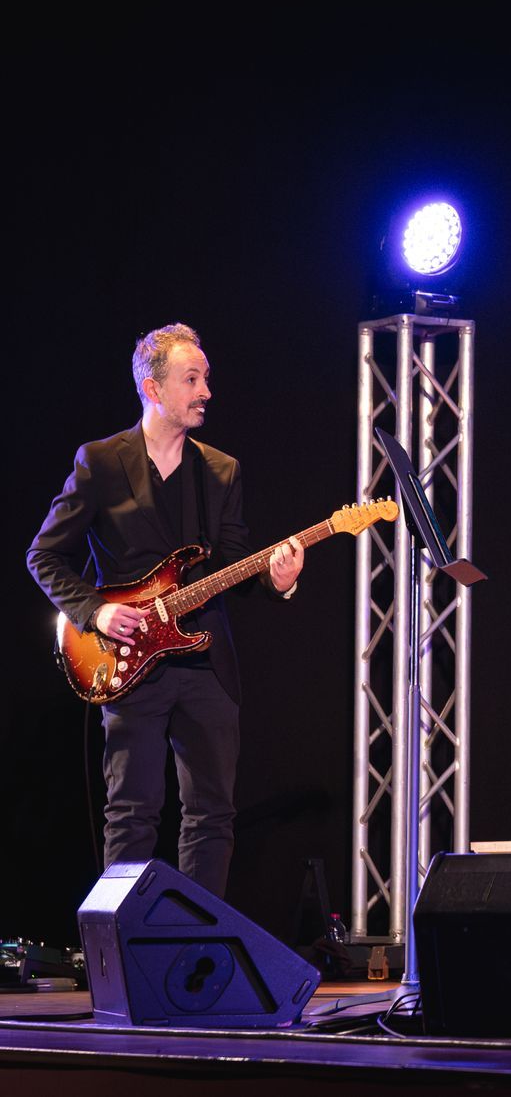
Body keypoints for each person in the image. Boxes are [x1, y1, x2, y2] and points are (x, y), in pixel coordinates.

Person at [27, 323, 305, 898]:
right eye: (192, 379)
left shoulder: (221, 470)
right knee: (132, 812)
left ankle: (194, 940)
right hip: (127, 660)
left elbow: (234, 563)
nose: (206, 391)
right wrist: (96, 612)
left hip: (206, 663)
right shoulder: (101, 462)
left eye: (206, 378)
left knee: (211, 815)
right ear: (153, 389)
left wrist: (277, 580)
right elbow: (44, 555)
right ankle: (125, 942)